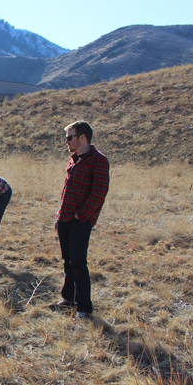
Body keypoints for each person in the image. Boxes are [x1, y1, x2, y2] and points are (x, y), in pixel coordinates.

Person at [52, 120, 110, 320]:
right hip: (65, 219)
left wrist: (81, 215)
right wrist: (60, 217)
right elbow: (66, 191)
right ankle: (68, 299)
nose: (67, 142)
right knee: (68, 261)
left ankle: (84, 307)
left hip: (80, 221)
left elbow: (100, 191)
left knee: (78, 263)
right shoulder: (74, 158)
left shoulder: (98, 160)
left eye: (70, 137)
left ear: (82, 137)